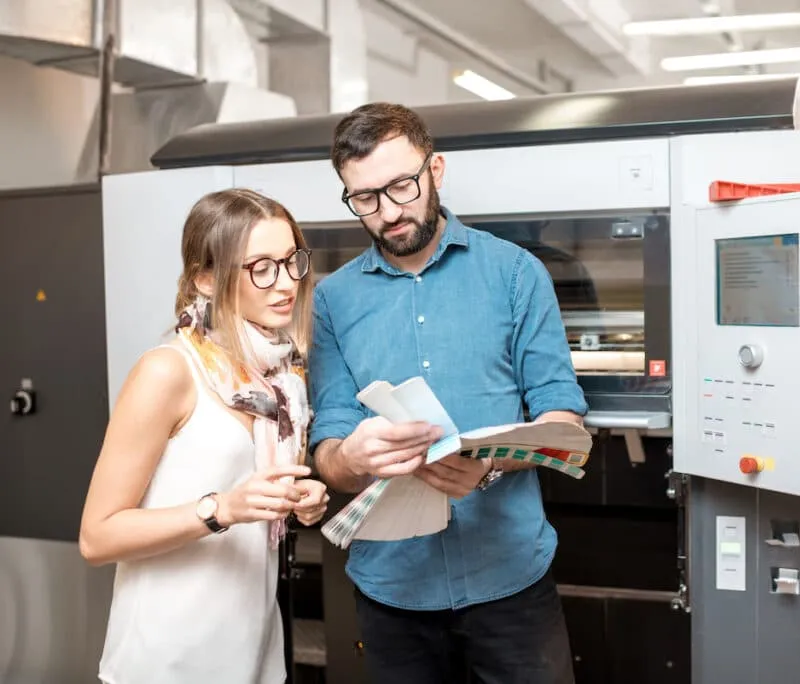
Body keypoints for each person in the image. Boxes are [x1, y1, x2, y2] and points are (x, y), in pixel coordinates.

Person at [309, 102, 588, 684]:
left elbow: (563, 423)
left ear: (435, 170)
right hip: (393, 591)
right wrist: (350, 458)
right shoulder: (332, 301)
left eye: (401, 186)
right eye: (365, 198)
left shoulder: (515, 273)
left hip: (510, 582)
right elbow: (328, 451)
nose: (389, 212)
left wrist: (490, 463)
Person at [79, 188, 330, 683]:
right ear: (207, 279)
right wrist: (222, 509)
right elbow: (97, 537)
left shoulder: (280, 381)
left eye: (291, 261)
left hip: (254, 656)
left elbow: (255, 504)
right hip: (165, 663)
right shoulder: (168, 371)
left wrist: (301, 500)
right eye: (261, 268)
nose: (286, 283)